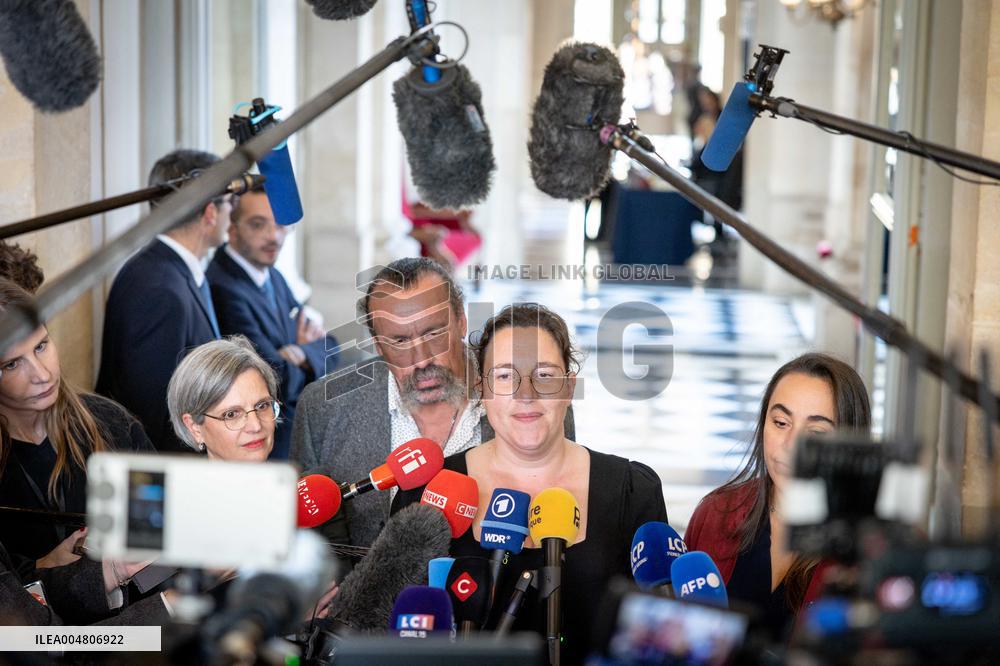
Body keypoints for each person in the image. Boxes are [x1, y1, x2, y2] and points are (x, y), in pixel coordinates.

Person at [393, 303, 667, 664]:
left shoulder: (632, 491)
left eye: (545, 375)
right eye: (505, 377)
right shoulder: (427, 493)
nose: (526, 395)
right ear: (482, 390)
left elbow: (655, 637)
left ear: (569, 388)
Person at [291, 258, 575, 549]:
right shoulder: (323, 407)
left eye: (433, 333)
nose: (422, 359)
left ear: (461, 322)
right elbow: (304, 536)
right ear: (377, 345)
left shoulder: (534, 404)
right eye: (399, 341)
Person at [685, 353, 871, 640]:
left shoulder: (874, 547)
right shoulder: (716, 512)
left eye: (816, 433)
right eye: (781, 422)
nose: (790, 446)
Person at [0, 279, 156, 573]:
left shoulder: (113, 423)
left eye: (42, 346)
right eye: (11, 364)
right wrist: (40, 567)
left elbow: (160, 533)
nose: (42, 374)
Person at [97, 149, 231, 452]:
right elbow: (152, 415)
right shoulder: (159, 291)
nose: (230, 214)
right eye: (229, 204)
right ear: (210, 212)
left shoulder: (176, 271)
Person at [206, 184, 333, 460]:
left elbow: (330, 348)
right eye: (257, 224)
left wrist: (299, 353)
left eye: (280, 226)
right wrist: (300, 357)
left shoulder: (272, 276)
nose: (273, 236)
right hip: (259, 447)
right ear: (231, 227)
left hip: (291, 438)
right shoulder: (223, 287)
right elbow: (272, 379)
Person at [167, 336, 281, 462]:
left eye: (262, 406)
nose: (255, 426)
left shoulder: (300, 480)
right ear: (195, 427)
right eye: (231, 414)